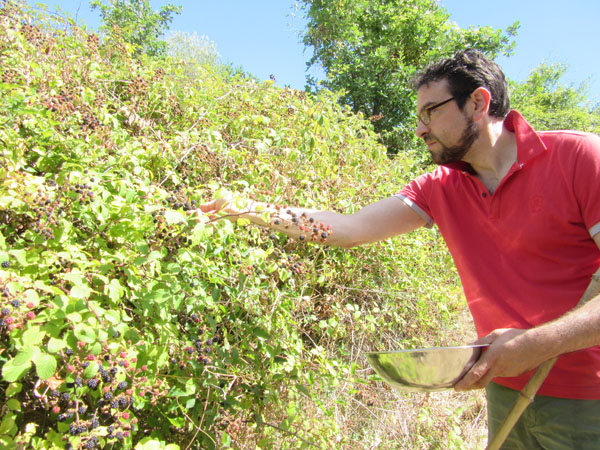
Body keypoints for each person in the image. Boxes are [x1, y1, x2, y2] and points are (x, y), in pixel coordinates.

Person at [198, 49, 600, 449]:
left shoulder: (579, 158)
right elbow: (348, 227)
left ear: (478, 102)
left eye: (431, 112)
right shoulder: (439, 188)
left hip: (589, 399)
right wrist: (248, 210)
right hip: (504, 387)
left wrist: (535, 345)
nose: (420, 129)